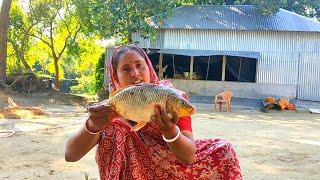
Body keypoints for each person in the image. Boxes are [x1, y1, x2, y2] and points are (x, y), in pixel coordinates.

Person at [65, 44, 242, 179]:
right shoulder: (110, 108)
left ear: (149, 69)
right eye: (126, 69)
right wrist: (93, 125)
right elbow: (71, 155)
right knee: (114, 130)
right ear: (115, 77)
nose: (135, 73)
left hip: (174, 169)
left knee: (223, 149)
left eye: (139, 65)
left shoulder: (171, 98)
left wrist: (170, 131)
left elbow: (189, 157)